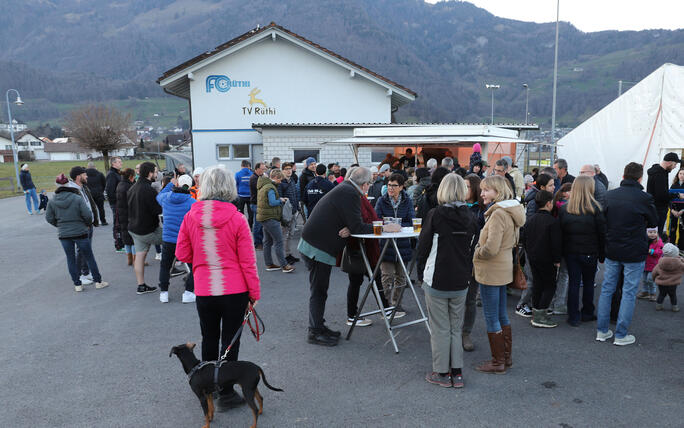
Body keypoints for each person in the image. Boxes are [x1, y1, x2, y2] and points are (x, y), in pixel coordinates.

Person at [175, 166, 260, 410]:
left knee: (209, 338)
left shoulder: (191, 216)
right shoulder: (236, 218)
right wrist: (254, 293)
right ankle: (227, 391)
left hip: (204, 289)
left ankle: (209, 387)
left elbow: (182, 252)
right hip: (234, 290)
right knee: (231, 342)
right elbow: (248, 261)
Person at [298, 167, 401, 346]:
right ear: (365, 183)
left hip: (315, 244)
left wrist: (352, 226)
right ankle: (314, 331)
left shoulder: (346, 188)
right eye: (369, 183)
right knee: (319, 291)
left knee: (319, 290)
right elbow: (357, 227)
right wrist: (384, 227)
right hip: (317, 247)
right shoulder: (350, 193)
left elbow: (353, 225)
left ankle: (318, 327)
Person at [416, 174, 477, 388]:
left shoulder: (435, 215)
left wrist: (420, 272)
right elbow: (472, 249)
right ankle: (457, 373)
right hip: (461, 278)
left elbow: (422, 248)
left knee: (440, 328)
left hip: (437, 278)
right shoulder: (471, 216)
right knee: (455, 327)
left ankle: (442, 372)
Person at [596, 162, 658, 346]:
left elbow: (601, 220)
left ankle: (602, 330)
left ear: (623, 176)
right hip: (634, 250)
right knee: (629, 292)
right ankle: (621, 334)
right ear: (640, 178)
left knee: (607, 289)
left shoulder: (610, 195)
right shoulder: (644, 198)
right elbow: (653, 221)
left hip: (613, 248)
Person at [472, 175, 525, 374]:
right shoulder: (512, 211)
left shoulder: (498, 214)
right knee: (502, 314)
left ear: (498, 191)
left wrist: (477, 251)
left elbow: (491, 248)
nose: (482, 193)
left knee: (491, 315)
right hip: (502, 269)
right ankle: (505, 357)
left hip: (491, 270)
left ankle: (497, 362)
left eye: (486, 190)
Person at [46, 173, 108, 292]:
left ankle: (77, 284)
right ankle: (98, 281)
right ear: (69, 184)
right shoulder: (77, 198)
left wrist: (59, 225)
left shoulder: (52, 201)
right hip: (80, 232)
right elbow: (87, 215)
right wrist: (86, 224)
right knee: (89, 257)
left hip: (64, 234)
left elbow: (49, 218)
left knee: (70, 259)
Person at [559, 175, 606, 327]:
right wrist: (602, 253)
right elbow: (602, 233)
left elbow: (561, 233)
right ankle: (587, 312)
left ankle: (573, 316)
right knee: (588, 283)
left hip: (571, 251)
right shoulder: (596, 208)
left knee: (573, 283)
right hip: (590, 251)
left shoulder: (565, 208)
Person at [375, 173, 414, 316]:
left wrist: (397, 225)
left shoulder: (407, 201)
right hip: (386, 244)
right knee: (386, 276)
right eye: (389, 185)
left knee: (401, 277)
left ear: (402, 187)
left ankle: (397, 304)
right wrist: (389, 225)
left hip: (403, 244)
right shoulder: (382, 200)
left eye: (394, 185)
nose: (390, 188)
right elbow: (377, 219)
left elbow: (411, 220)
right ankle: (385, 305)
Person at [521, 190, 561, 328]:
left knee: (537, 284)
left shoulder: (530, 219)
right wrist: (557, 260)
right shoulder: (552, 222)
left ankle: (535, 312)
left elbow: (524, 239)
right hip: (547, 259)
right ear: (549, 203)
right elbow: (556, 244)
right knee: (550, 286)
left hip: (532, 257)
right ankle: (541, 316)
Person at [157, 174, 196, 304]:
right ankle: (188, 292)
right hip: (186, 240)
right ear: (190, 187)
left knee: (165, 266)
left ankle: (164, 293)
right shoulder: (192, 203)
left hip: (168, 239)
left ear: (177, 184)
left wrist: (170, 184)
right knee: (194, 267)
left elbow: (159, 195)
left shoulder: (166, 198)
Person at [127, 161, 163, 295]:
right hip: (147, 230)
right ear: (149, 173)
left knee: (140, 256)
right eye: (155, 171)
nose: (157, 173)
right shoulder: (148, 190)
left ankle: (141, 286)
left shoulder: (132, 187)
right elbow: (157, 210)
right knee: (175, 239)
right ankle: (174, 268)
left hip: (134, 229)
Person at [463, 174, 485, 351]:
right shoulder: (456, 207)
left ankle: (466, 333)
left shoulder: (482, 210)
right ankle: (454, 332)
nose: (464, 189)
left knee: (470, 299)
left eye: (467, 186)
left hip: (474, 259)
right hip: (456, 258)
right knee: (454, 299)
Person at [257, 169, 294, 273]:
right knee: (279, 242)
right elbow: (273, 202)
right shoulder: (271, 188)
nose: (281, 182)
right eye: (280, 179)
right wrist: (281, 200)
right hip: (271, 217)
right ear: (276, 178)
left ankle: (269, 264)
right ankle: (284, 265)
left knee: (267, 242)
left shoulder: (263, 186)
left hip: (264, 217)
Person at [647, 152, 681, 235]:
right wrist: (678, 195)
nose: (675, 167)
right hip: (658, 210)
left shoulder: (660, 172)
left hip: (655, 209)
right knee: (655, 235)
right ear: (669, 162)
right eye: (675, 164)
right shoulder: (659, 174)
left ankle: (653, 248)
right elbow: (661, 195)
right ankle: (653, 249)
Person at [279, 162, 300, 265]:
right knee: (283, 235)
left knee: (290, 235)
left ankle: (288, 254)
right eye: (286, 169)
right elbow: (279, 198)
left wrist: (297, 207)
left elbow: (295, 194)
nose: (288, 170)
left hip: (294, 211)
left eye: (290, 169)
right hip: (285, 213)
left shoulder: (292, 180)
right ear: (282, 170)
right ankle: (283, 257)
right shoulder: (281, 182)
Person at [651, 243, 683, 312]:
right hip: (673, 283)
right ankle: (675, 307)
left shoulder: (660, 263)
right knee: (673, 295)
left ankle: (659, 305)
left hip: (662, 283)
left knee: (662, 294)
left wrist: (654, 279)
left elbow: (654, 272)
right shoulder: (679, 263)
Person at [636, 227, 663, 302]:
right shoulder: (644, 241)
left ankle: (652, 293)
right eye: (650, 232)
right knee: (644, 279)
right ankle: (645, 292)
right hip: (645, 264)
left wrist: (651, 251)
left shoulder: (659, 242)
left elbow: (660, 252)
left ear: (657, 233)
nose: (652, 234)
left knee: (650, 279)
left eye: (654, 232)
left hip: (654, 265)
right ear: (646, 233)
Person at [116, 168, 136, 266]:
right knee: (133, 239)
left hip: (121, 213)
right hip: (130, 214)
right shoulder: (130, 186)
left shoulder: (120, 185)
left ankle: (129, 259)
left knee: (126, 237)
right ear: (131, 176)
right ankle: (136, 259)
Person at [105, 157, 124, 252]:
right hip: (116, 203)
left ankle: (122, 243)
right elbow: (110, 190)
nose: (121, 163)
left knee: (120, 223)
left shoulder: (117, 173)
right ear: (113, 164)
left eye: (121, 161)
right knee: (117, 224)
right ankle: (118, 245)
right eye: (119, 162)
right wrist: (116, 202)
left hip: (120, 202)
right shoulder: (111, 174)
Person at [249, 162, 266, 249]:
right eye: (262, 169)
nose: (264, 171)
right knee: (258, 225)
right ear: (257, 169)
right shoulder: (254, 178)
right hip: (256, 204)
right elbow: (261, 189)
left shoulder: (259, 177)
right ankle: (257, 243)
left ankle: (260, 242)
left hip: (259, 204)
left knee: (260, 224)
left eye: (264, 169)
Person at [667, 167, 684, 250]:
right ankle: (672, 247)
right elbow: (668, 199)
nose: (682, 175)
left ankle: (681, 248)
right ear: (678, 174)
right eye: (680, 173)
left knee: (682, 230)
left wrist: (682, 211)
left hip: (683, 211)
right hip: (674, 211)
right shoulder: (673, 186)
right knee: (672, 229)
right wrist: (672, 210)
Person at [234, 160, 253, 225]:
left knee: (240, 212)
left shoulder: (237, 174)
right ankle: (250, 225)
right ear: (248, 166)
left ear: (242, 166)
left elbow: (236, 184)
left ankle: (242, 225)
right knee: (250, 212)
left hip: (241, 196)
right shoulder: (252, 174)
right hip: (250, 195)